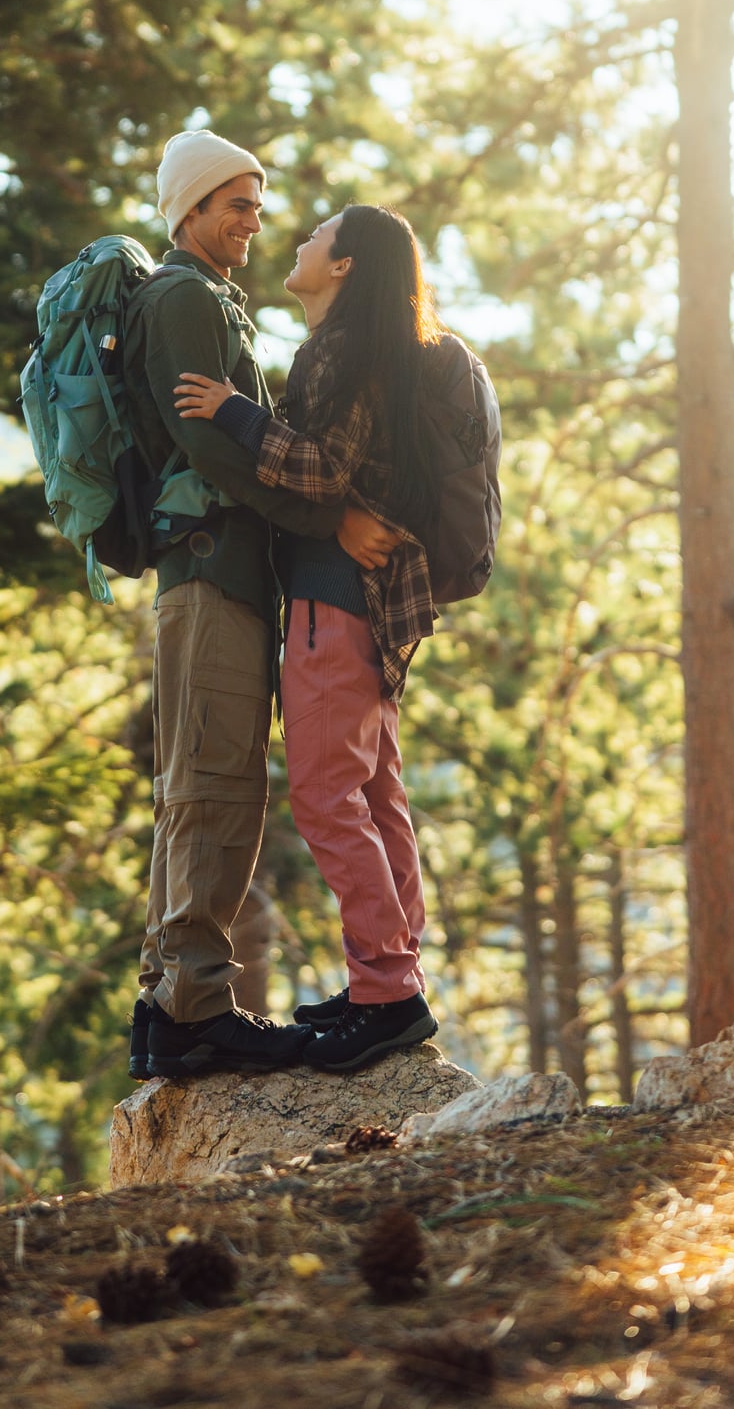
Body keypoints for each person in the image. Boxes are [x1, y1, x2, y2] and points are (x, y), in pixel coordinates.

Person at [125, 131, 397, 1080]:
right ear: (190, 209)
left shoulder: (210, 300)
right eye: (236, 203)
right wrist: (325, 520)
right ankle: (194, 1006)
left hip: (227, 573)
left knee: (207, 779)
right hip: (209, 570)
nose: (252, 220)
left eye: (256, 204)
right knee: (212, 782)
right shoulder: (185, 299)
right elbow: (208, 451)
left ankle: (170, 999)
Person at [175, 203, 442, 1073]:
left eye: (318, 233)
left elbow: (322, 469)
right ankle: (391, 974)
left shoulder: (339, 353)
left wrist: (232, 414)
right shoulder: (369, 352)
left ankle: (387, 992)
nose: (297, 238)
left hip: (334, 606)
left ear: (344, 265)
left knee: (328, 798)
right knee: (372, 795)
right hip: (365, 608)